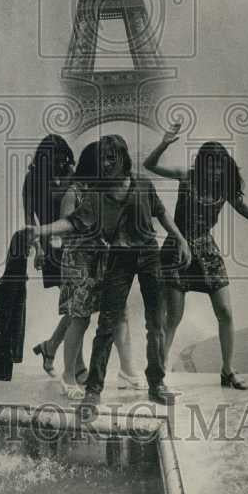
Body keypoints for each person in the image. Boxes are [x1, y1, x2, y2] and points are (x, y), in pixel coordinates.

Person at [25, 134, 192, 411]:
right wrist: (41, 230)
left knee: (156, 323)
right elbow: (72, 222)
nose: (105, 163)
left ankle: (156, 384)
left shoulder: (143, 184)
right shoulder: (96, 193)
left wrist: (181, 239)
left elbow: (161, 213)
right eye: (102, 158)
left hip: (149, 257)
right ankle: (94, 389)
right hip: (118, 259)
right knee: (106, 324)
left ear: (123, 158)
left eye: (111, 158)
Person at [143, 124, 248, 389]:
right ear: (201, 164)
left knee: (225, 312)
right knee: (173, 317)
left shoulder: (225, 189)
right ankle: (158, 374)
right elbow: (150, 165)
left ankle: (228, 370)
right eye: (210, 165)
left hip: (206, 251)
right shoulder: (186, 176)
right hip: (177, 249)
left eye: (219, 166)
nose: (214, 171)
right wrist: (164, 143)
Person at [58, 142, 142, 400]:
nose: (108, 165)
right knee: (80, 318)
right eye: (103, 161)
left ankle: (127, 370)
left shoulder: (106, 189)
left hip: (104, 259)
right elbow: (65, 228)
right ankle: (68, 376)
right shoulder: (74, 191)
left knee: (119, 312)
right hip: (79, 262)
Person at [23, 136, 81, 378]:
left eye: (64, 159)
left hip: (76, 245)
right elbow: (29, 218)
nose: (62, 163)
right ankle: (77, 367)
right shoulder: (32, 179)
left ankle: (51, 346)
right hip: (52, 248)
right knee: (76, 306)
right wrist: (38, 248)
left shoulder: (70, 174)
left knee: (77, 305)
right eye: (56, 160)